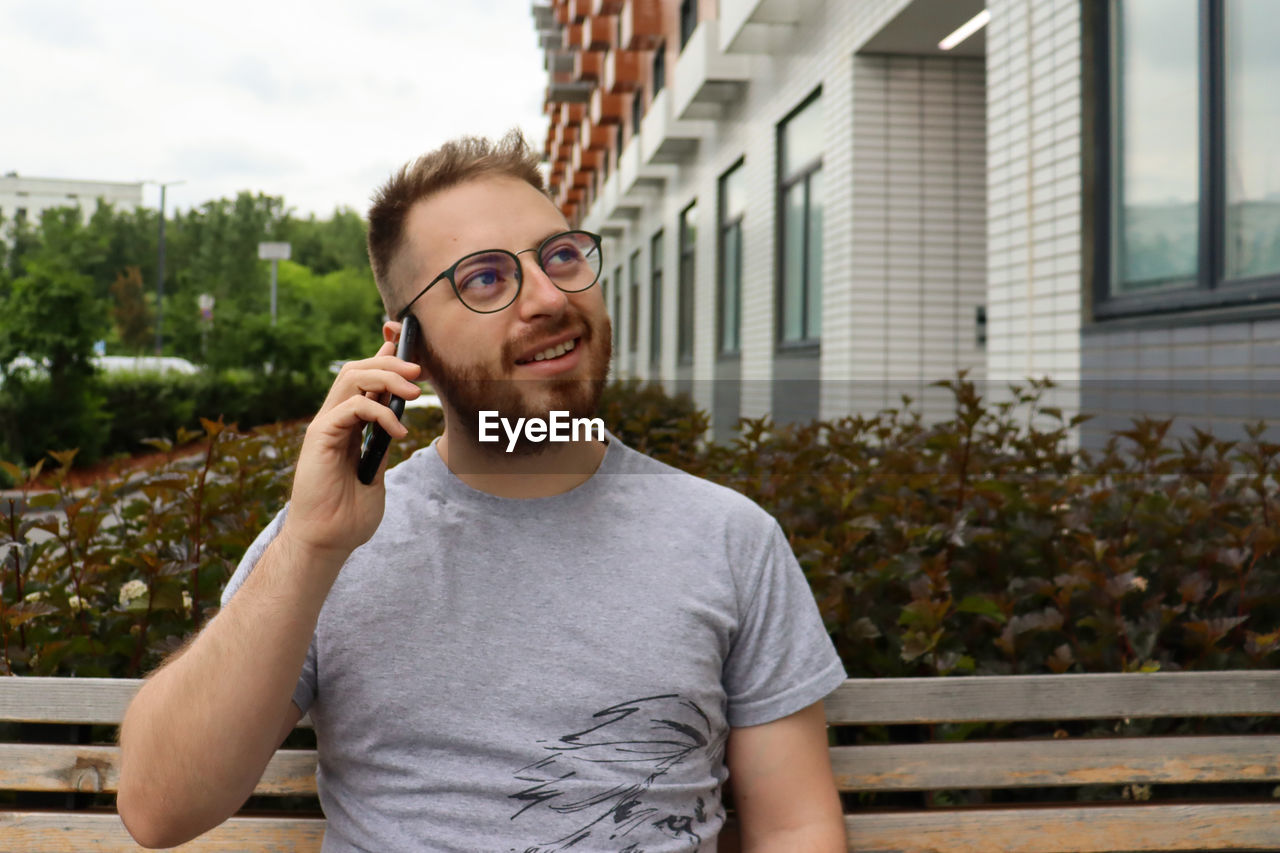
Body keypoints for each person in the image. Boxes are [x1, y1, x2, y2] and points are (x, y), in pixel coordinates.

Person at [116, 131, 848, 852]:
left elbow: (794, 826)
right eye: (486, 278)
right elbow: (158, 808)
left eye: (561, 257)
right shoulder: (328, 542)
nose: (547, 297)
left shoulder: (729, 538)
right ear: (411, 348)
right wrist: (309, 545)